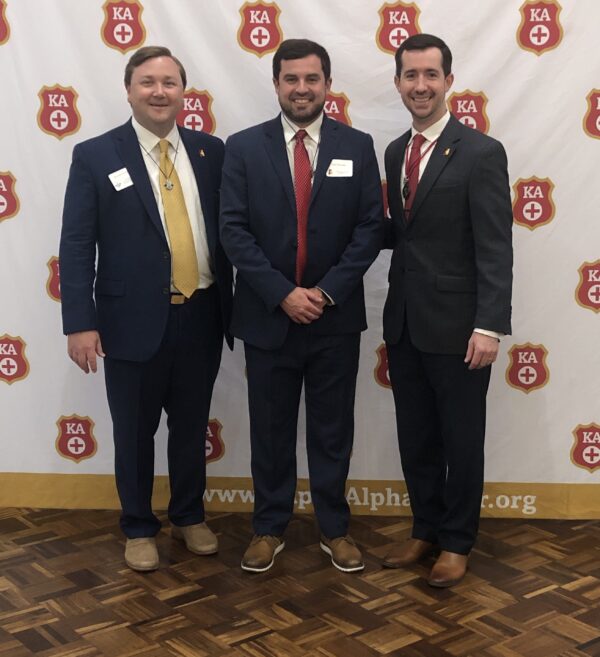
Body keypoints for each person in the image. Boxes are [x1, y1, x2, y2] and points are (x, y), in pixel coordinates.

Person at [59, 46, 232, 572]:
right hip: (128, 321)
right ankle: (137, 525)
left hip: (201, 313)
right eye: (148, 82)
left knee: (190, 425)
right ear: (129, 89)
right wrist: (80, 322)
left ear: (184, 91)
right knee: (133, 432)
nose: (160, 92)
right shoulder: (96, 155)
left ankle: (189, 515)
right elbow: (75, 243)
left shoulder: (211, 151)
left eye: (170, 82)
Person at [220, 39, 382, 573]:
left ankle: (335, 529)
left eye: (312, 79)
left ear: (327, 85)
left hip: (334, 318)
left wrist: (325, 291)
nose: (301, 89)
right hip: (269, 317)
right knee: (269, 429)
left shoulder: (357, 146)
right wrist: (282, 293)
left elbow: (368, 230)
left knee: (333, 431)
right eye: (291, 79)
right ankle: (269, 527)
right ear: (276, 85)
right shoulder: (243, 147)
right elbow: (233, 231)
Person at [381, 34, 513, 586]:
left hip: (461, 331)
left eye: (430, 75)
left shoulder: (481, 152)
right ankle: (425, 528)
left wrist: (489, 326)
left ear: (449, 82)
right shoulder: (394, 151)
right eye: (410, 76)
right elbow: (402, 236)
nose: (420, 86)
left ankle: (458, 541)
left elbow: (495, 245)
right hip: (406, 325)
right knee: (416, 438)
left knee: (461, 439)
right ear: (398, 83)